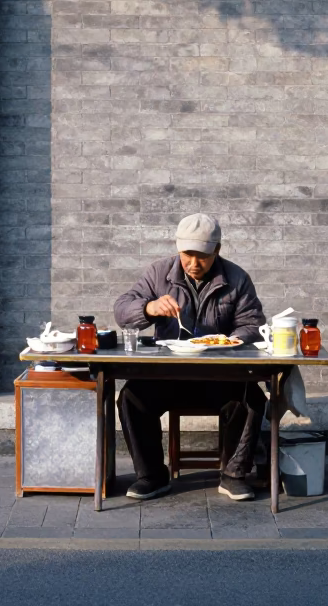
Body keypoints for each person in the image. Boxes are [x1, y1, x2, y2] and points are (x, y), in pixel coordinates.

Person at [113, 213, 266, 502]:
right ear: (178, 249)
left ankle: (234, 476)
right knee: (131, 397)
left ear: (217, 250)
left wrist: (234, 339)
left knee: (252, 398)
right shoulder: (158, 273)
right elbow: (122, 310)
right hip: (166, 375)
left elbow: (253, 324)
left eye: (203, 256)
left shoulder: (236, 278)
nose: (194, 263)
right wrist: (148, 309)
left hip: (219, 376)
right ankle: (152, 476)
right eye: (187, 255)